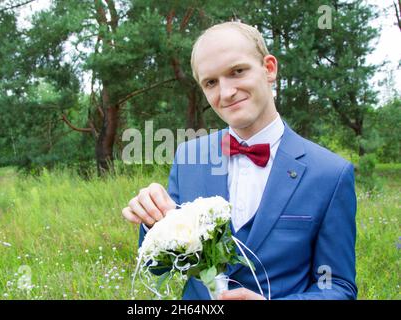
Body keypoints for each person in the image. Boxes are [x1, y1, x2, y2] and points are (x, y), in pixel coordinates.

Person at [122, 21, 357, 300]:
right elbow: (159, 268)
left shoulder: (330, 173)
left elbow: (338, 288)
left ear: (269, 69)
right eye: (211, 82)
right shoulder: (188, 157)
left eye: (237, 71)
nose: (226, 93)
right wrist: (153, 223)